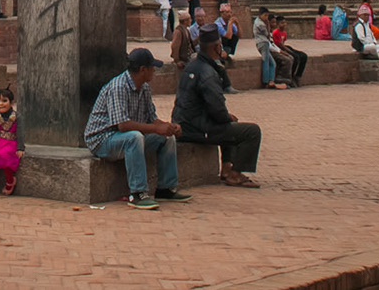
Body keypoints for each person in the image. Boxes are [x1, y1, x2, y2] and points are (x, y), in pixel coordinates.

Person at [84, 48, 183, 210]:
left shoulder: (144, 88)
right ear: (143, 70)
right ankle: (137, 193)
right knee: (135, 137)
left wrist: (168, 127)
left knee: (167, 138)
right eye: (152, 68)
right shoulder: (118, 87)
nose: (154, 71)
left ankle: (166, 188)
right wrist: (156, 128)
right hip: (102, 140)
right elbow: (123, 125)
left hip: (124, 136)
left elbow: (151, 119)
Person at [174, 26, 262, 187]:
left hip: (184, 122)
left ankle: (227, 168)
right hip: (197, 127)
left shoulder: (192, 66)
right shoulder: (208, 73)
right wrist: (226, 116)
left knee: (229, 125)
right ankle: (235, 173)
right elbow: (217, 110)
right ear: (217, 47)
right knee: (251, 131)